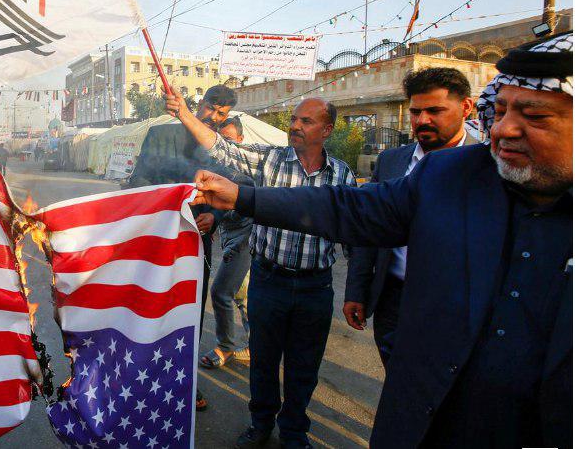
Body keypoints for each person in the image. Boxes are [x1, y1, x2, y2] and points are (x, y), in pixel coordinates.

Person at [192, 32, 573, 448]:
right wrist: (243, 197)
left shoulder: (345, 168)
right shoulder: (451, 175)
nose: (505, 129)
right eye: (499, 111)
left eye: (536, 117)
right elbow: (348, 210)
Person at [165, 91, 356, 449]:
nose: (295, 126)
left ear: (327, 130)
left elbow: (353, 235)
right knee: (264, 362)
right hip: (269, 282)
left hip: (315, 288)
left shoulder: (342, 174)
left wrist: (358, 291)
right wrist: (186, 114)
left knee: (304, 366)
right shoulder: (271, 160)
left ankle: (294, 432)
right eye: (294, 119)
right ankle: (261, 424)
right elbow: (222, 149)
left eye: (306, 121)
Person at [344, 67, 479, 367]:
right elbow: (368, 230)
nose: (422, 120)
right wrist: (356, 291)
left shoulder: (488, 164)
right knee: (395, 378)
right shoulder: (391, 162)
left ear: (466, 107)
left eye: (435, 111)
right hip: (393, 300)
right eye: (416, 112)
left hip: (456, 305)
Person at [127, 83, 238, 412]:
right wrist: (165, 207)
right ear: (200, 103)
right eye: (211, 108)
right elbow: (138, 181)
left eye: (221, 114)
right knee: (152, 307)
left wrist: (214, 218)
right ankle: (144, 376)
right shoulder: (161, 135)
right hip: (159, 237)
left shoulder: (220, 149)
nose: (214, 117)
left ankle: (185, 380)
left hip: (196, 242)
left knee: (191, 312)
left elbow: (227, 192)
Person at [200, 116, 252, 369]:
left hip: (245, 238)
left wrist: (215, 216)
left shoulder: (246, 167)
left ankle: (226, 346)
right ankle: (256, 345)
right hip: (231, 236)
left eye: (230, 140)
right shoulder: (217, 164)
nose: (226, 146)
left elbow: (240, 199)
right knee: (243, 294)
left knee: (221, 291)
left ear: (241, 139)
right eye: (222, 140)